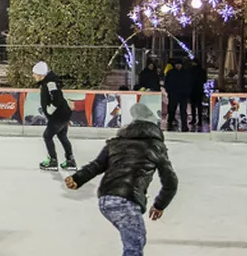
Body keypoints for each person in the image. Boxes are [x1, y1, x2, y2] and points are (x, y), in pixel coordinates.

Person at [66, 103, 179, 256]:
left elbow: (98, 165)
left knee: (136, 242)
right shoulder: (156, 146)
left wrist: (78, 178)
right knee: (134, 247)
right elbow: (171, 181)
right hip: (127, 201)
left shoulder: (116, 142)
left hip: (106, 199)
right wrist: (160, 205)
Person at [33, 61, 74, 170]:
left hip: (58, 116)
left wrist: (50, 110)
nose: (33, 76)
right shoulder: (47, 83)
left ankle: (53, 161)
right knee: (62, 136)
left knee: (47, 136)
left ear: (41, 75)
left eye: (35, 74)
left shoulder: (50, 83)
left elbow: (57, 98)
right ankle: (70, 160)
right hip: (63, 114)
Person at [163, 57, 192, 132]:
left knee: (183, 111)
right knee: (172, 110)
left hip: (183, 95)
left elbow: (189, 84)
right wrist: (169, 91)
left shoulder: (186, 73)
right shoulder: (170, 73)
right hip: (173, 95)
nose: (178, 66)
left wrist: (187, 92)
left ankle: (184, 126)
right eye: (177, 64)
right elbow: (167, 83)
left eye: (179, 64)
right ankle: (170, 122)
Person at [189, 58, 207, 130]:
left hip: (192, 90)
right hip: (199, 90)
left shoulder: (190, 70)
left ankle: (194, 119)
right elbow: (204, 80)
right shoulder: (202, 71)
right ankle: (199, 120)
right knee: (199, 105)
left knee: (193, 106)